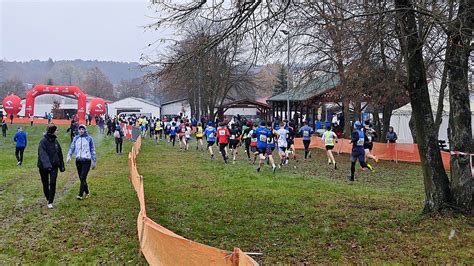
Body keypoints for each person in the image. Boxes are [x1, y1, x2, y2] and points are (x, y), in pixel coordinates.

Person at [38, 125, 65, 209]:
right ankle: (48, 197)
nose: (57, 132)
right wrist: (47, 165)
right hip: (43, 167)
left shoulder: (56, 142)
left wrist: (61, 166)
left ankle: (50, 201)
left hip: (54, 166)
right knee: (45, 183)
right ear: (52, 131)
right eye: (56, 130)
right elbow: (42, 154)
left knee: (53, 183)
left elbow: (59, 154)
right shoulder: (43, 142)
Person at [67, 124, 97, 200]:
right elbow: (72, 147)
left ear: (85, 130)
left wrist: (94, 160)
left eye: (82, 129)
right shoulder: (76, 138)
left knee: (83, 177)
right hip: (78, 160)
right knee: (81, 178)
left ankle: (80, 194)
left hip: (86, 160)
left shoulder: (89, 138)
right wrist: (69, 155)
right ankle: (87, 192)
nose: (81, 130)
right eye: (80, 129)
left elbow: (92, 149)